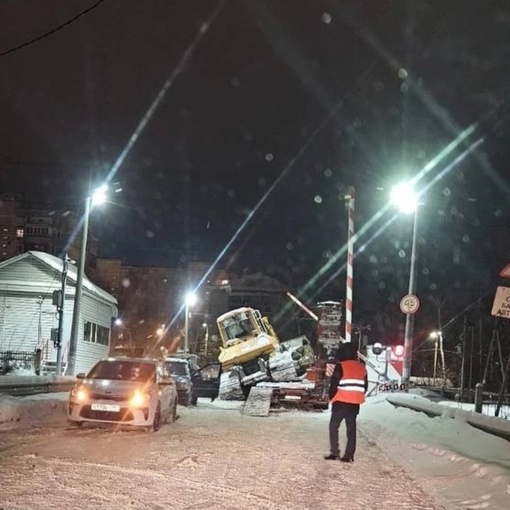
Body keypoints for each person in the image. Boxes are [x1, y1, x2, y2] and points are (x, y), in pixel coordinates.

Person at [324, 342, 368, 462]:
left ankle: (335, 452)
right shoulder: (361, 367)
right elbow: (365, 386)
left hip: (341, 402)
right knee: (351, 429)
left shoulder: (341, 366)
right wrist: (357, 396)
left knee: (333, 427)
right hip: (354, 404)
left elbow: (334, 384)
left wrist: (331, 398)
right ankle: (349, 455)